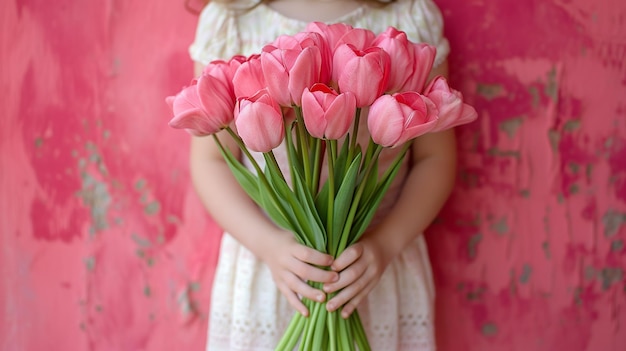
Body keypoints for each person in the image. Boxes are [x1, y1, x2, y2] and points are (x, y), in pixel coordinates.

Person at [187, 0, 457, 349]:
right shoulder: (231, 20)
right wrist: (268, 246)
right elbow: (212, 162)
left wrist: (385, 245)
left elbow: (434, 158)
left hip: (372, 267)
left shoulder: (409, 16)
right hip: (276, 267)